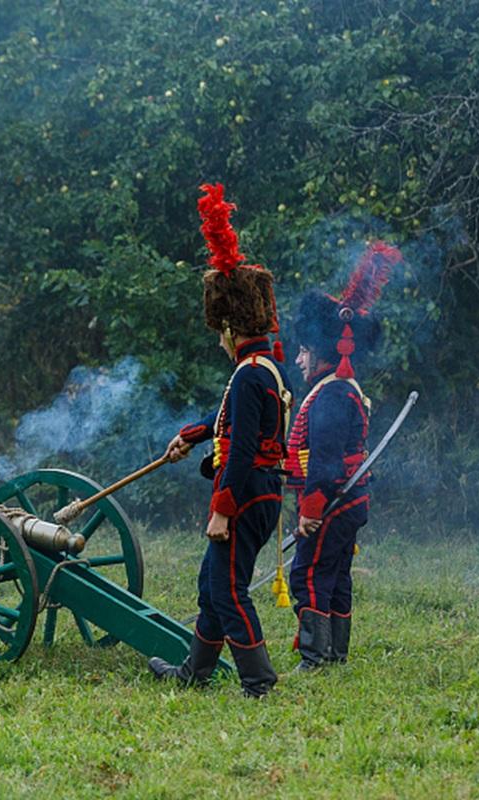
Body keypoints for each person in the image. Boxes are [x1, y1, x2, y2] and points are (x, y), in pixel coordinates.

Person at [148, 183, 292, 698]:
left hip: (246, 491)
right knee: (212, 589)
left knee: (228, 592)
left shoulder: (251, 373)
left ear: (229, 325)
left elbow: (244, 447)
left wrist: (222, 509)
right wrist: (191, 434)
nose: (217, 339)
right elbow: (230, 418)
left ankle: (259, 682)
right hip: (262, 490)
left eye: (219, 329)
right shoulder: (263, 368)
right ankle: (195, 673)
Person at [284, 242, 397, 670]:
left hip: (330, 501)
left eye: (304, 351)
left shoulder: (332, 393)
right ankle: (334, 654)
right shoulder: (339, 388)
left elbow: (327, 460)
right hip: (348, 502)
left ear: (322, 352)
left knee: (309, 574)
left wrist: (310, 509)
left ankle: (315, 657)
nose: (297, 358)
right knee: (335, 576)